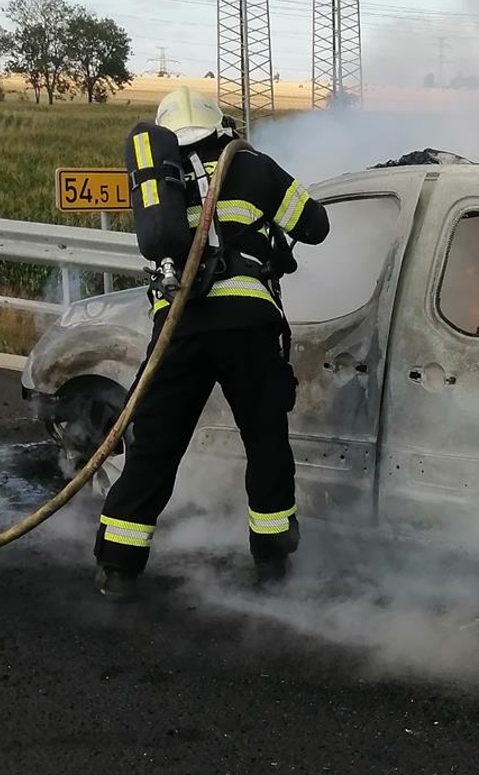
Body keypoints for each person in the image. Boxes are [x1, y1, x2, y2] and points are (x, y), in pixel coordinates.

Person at [94, 88, 329, 602]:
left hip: (179, 327)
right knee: (265, 442)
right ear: (219, 124)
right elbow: (316, 226)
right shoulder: (251, 165)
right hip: (248, 324)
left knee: (154, 447)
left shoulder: (161, 178)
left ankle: (118, 568)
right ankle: (272, 564)